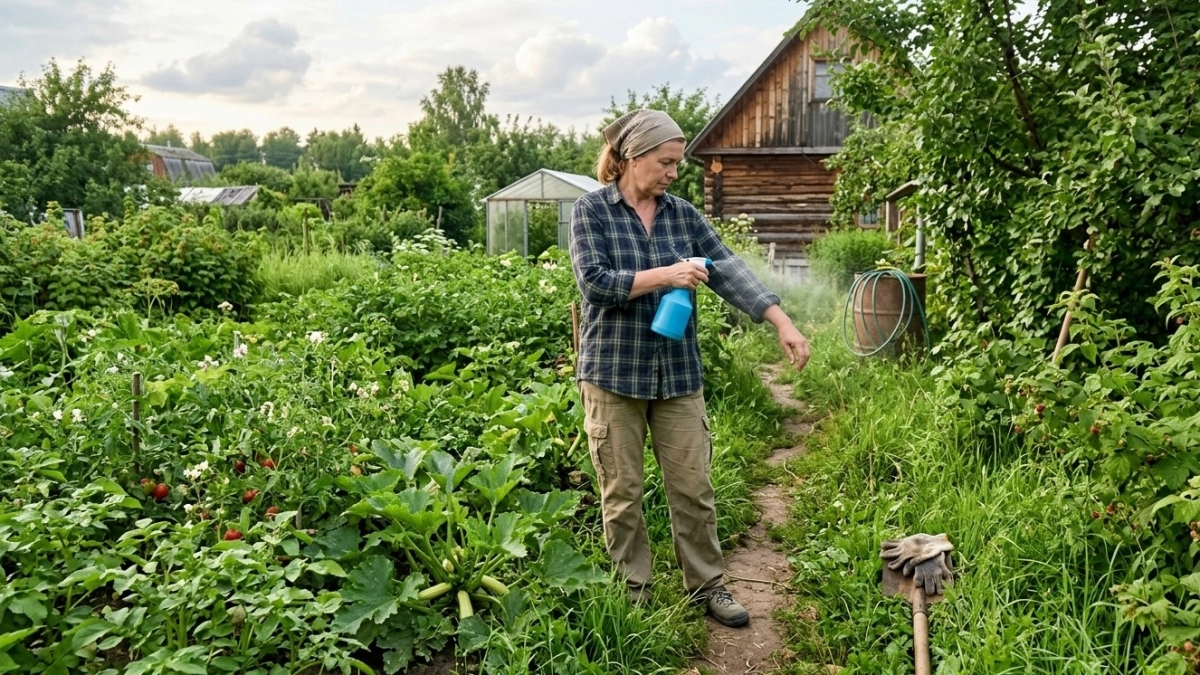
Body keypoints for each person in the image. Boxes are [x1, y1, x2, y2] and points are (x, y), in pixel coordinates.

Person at [568, 108, 810, 628]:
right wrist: (667, 274)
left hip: (676, 374)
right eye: (666, 162)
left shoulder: (681, 215)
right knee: (623, 491)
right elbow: (596, 283)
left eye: (677, 163)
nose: (674, 173)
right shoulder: (592, 212)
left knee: (693, 488)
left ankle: (708, 586)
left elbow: (727, 268)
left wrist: (781, 321)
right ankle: (633, 592)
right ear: (632, 156)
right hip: (612, 375)